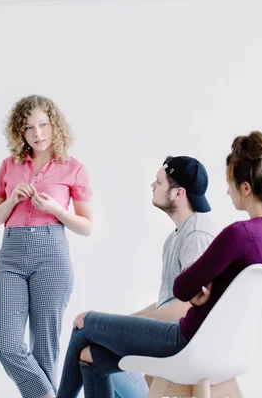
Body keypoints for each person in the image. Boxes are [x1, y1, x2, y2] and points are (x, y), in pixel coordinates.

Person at [57, 131, 262, 398]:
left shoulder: (236, 234)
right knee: (90, 355)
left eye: (230, 183)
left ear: (245, 187)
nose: (227, 190)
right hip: (225, 348)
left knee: (85, 323)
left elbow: (182, 288)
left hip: (186, 341)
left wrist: (200, 290)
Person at [0, 95, 94, 398]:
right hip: (11, 256)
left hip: (52, 254)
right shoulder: (9, 166)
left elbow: (86, 226)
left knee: (44, 347)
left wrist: (56, 209)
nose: (38, 134)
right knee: (5, 344)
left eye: (43, 125)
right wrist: (11, 200)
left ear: (54, 124)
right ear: (20, 132)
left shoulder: (73, 168)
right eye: (29, 127)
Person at [112, 155, 217, 398]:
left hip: (182, 342)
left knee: (97, 348)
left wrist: (135, 325)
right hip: (170, 334)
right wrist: (129, 319)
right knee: (98, 339)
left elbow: (188, 308)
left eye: (158, 182)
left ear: (178, 193)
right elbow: (168, 300)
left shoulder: (197, 233)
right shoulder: (177, 236)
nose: (152, 186)